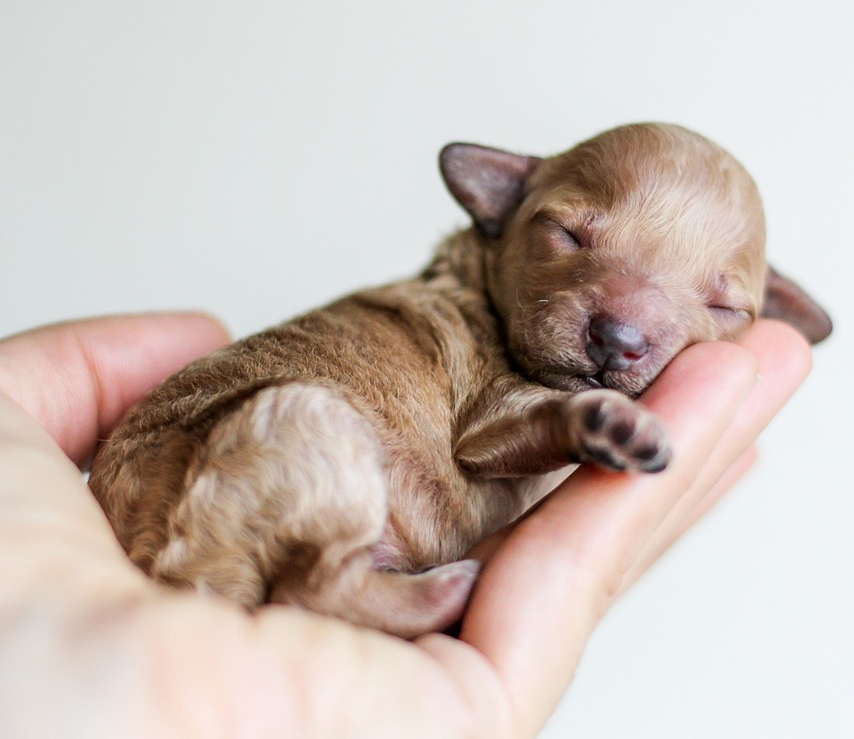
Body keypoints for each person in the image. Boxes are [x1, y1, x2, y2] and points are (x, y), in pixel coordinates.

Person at [0, 312, 812, 738]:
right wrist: (568, 423)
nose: (626, 326)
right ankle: (340, 584)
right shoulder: (465, 325)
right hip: (238, 492)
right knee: (310, 430)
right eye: (572, 236)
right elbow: (487, 438)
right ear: (500, 203)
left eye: (716, 302)